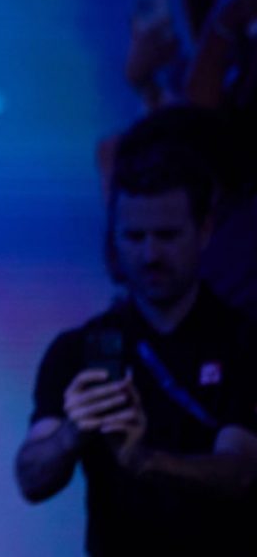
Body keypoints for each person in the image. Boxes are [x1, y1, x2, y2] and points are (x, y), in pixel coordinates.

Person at [15, 120, 257, 556]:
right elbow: (30, 478)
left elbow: (241, 469)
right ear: (115, 237)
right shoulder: (78, 349)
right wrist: (72, 435)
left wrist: (145, 461)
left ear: (204, 231)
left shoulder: (243, 342)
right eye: (134, 236)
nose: (150, 254)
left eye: (167, 236)